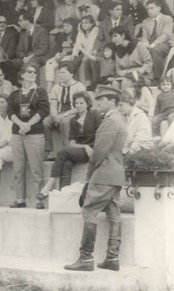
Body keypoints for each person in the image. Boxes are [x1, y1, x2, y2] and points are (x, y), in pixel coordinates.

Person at [65, 85, 127, 272]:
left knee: (89, 211)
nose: (98, 102)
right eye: (97, 99)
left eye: (101, 99)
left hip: (104, 174)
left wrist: (90, 173)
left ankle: (86, 259)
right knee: (114, 215)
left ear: (112, 101)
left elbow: (99, 151)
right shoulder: (120, 119)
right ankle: (112, 258)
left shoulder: (110, 121)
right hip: (116, 174)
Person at [39, 92, 102, 199]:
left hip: (93, 150)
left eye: (81, 103)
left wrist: (90, 147)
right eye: (76, 103)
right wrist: (85, 146)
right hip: (82, 150)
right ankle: (64, 194)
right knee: (66, 163)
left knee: (62, 153)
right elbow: (72, 143)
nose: (78, 105)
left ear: (88, 104)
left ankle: (49, 184)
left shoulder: (94, 115)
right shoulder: (73, 120)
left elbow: (101, 135)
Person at [8, 63, 50, 209]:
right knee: (18, 168)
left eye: (35, 72)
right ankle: (20, 199)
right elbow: (10, 111)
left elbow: (43, 110)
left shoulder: (40, 91)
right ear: (22, 75)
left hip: (35, 133)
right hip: (17, 133)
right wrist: (21, 124)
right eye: (29, 72)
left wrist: (28, 125)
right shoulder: (15, 94)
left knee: (36, 167)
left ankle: (39, 200)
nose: (33, 74)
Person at [139, 0, 173, 81]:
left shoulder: (167, 19)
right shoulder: (145, 21)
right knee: (139, 49)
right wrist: (145, 44)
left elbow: (166, 35)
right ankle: (143, 78)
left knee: (156, 50)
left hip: (164, 44)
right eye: (148, 8)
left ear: (159, 8)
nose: (149, 11)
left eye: (152, 8)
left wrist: (154, 44)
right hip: (150, 44)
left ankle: (158, 78)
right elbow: (144, 36)